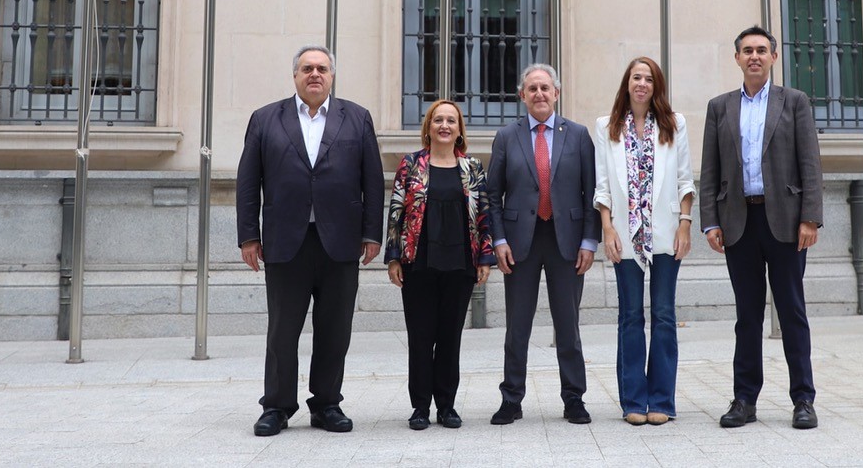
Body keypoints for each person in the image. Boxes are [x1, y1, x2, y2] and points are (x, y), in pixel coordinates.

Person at [235, 45, 384, 437]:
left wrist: (372, 233)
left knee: (335, 329)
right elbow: (248, 182)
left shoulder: (357, 118)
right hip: (286, 242)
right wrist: (249, 236)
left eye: (321, 68)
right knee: (282, 331)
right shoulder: (266, 119)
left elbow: (372, 180)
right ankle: (277, 406)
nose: (314, 74)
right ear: (295, 76)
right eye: (307, 68)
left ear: (331, 76)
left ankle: (327, 404)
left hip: (341, 242)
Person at [700, 26, 823, 430]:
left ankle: (803, 399)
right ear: (737, 58)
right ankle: (744, 399)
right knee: (747, 316)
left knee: (792, 312)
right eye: (747, 50)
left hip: (786, 222)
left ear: (773, 56)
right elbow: (710, 169)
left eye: (761, 50)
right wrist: (710, 221)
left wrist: (810, 217)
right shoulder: (719, 107)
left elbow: (810, 163)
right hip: (739, 223)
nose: (754, 56)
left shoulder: (795, 102)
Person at [487, 63, 600, 425]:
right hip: (520, 242)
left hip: (567, 242)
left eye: (545, 88)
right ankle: (511, 399)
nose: (539, 94)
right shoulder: (507, 136)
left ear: (557, 93)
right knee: (517, 326)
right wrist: (499, 239)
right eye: (532, 89)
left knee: (568, 325)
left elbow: (592, 191)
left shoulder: (578, 135)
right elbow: (492, 194)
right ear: (522, 96)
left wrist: (589, 240)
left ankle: (574, 398)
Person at [593, 56, 695, 426]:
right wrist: (607, 229)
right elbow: (603, 186)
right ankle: (634, 400)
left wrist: (685, 225)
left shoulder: (674, 124)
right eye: (636, 77)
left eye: (649, 79)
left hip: (666, 232)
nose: (642, 84)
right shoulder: (606, 127)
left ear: (656, 86)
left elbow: (685, 180)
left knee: (664, 315)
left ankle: (662, 401)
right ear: (627, 83)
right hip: (625, 234)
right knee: (630, 316)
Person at [384, 99, 496, 430]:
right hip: (418, 262)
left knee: (450, 337)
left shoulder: (472, 167)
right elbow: (396, 212)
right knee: (420, 338)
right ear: (428, 127)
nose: (444, 125)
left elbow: (484, 214)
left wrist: (485, 257)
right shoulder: (410, 164)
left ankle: (446, 406)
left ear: (459, 130)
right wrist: (393, 257)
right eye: (438, 120)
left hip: (461, 263)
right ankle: (420, 407)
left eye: (451, 121)